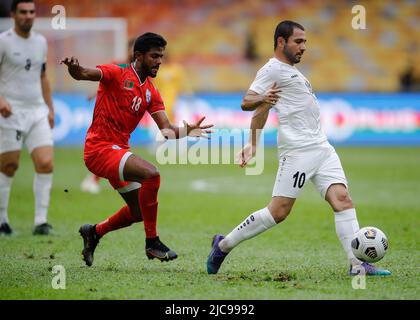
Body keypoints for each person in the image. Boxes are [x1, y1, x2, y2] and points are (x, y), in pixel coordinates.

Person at [206, 20, 391, 276]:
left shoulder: (292, 73)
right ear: (281, 42)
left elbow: (263, 109)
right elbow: (248, 102)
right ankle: (223, 245)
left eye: (305, 41)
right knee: (279, 211)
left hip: (322, 148)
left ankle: (357, 265)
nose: (304, 47)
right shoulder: (272, 69)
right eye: (298, 41)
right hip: (298, 152)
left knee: (342, 200)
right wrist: (253, 137)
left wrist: (253, 139)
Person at [61, 32, 212, 266]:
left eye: (161, 56)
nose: (159, 61)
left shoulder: (151, 92)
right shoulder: (116, 73)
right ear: (139, 56)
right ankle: (152, 242)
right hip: (99, 150)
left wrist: (187, 130)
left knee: (139, 212)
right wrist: (74, 68)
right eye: (154, 56)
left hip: (117, 152)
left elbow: (166, 131)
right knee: (151, 174)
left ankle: (94, 232)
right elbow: (82, 73)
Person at [0, 0, 54, 236]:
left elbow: (42, 76)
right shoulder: (3, 41)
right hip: (11, 111)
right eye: (23, 12)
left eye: (32, 12)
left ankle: (41, 222)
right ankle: (2, 220)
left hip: (37, 110)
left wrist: (50, 107)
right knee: (9, 166)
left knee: (45, 163)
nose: (28, 16)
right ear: (13, 14)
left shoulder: (41, 41)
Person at [80, 38, 136, 194]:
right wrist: (93, 95)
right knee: (109, 150)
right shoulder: (117, 65)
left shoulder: (140, 71)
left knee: (114, 151)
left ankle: (95, 180)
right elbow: (105, 82)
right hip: (108, 113)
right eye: (132, 48)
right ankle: (95, 180)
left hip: (124, 117)